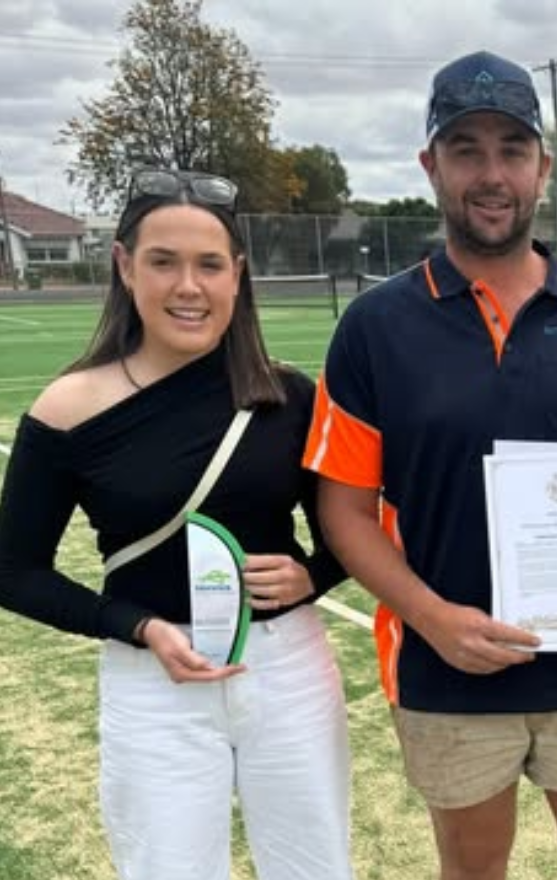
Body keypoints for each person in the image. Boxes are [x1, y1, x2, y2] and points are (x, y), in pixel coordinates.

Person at [305, 50, 557, 880]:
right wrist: (434, 618)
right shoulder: (374, 325)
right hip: (447, 673)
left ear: (542, 166)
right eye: (466, 148)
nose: (491, 173)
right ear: (431, 165)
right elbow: (345, 510)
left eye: (512, 148)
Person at [0, 168, 353, 879]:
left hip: (286, 669)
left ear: (237, 275)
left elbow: (350, 534)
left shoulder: (288, 396)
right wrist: (135, 624)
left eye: (209, 265)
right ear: (125, 266)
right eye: (163, 261)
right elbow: (12, 571)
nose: (187, 287)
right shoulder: (68, 407)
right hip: (151, 681)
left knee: (315, 868)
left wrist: (311, 575)